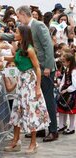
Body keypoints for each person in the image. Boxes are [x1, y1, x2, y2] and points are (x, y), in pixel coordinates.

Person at [4, 25, 49, 154]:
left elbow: (38, 68)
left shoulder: (30, 49)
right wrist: (1, 58)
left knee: (31, 112)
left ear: (23, 34)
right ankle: (15, 141)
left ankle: (33, 143)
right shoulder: (20, 48)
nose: (14, 33)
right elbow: (15, 59)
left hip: (29, 81)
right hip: (22, 81)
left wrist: (38, 87)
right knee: (17, 110)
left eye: (16, 32)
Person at [16, 5, 58, 142]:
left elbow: (48, 46)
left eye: (19, 16)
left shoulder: (38, 25)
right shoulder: (28, 27)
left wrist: (48, 66)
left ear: (23, 14)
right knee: (39, 101)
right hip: (37, 69)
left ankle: (53, 130)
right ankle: (40, 129)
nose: (18, 19)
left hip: (46, 69)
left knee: (48, 99)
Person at [57, 53, 76, 134]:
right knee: (61, 109)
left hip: (71, 93)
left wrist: (67, 90)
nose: (63, 63)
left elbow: (75, 84)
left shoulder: (74, 71)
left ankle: (72, 127)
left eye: (64, 62)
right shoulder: (66, 69)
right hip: (64, 92)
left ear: (69, 62)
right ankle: (61, 125)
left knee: (71, 111)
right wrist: (60, 88)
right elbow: (63, 80)